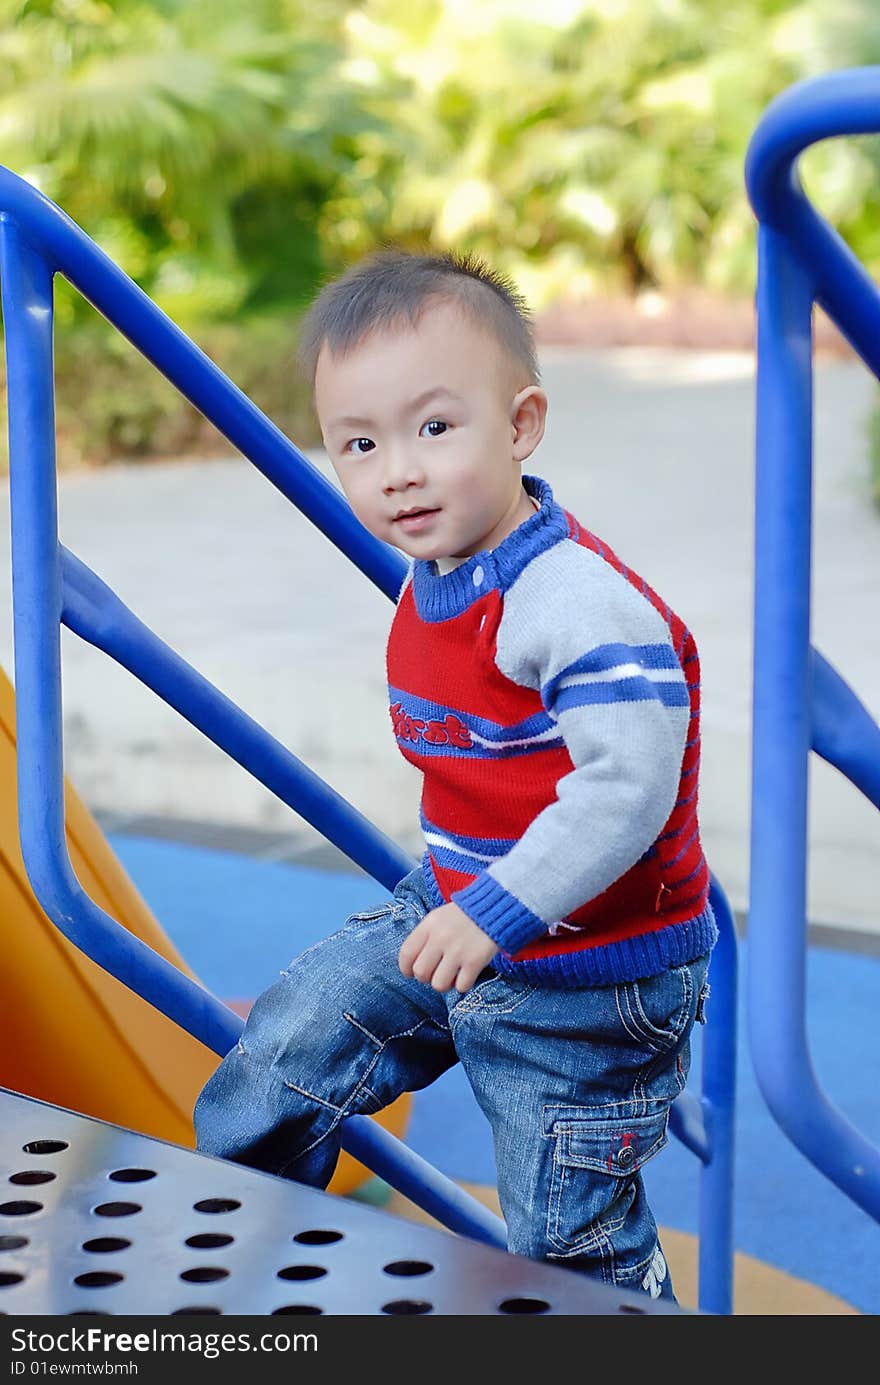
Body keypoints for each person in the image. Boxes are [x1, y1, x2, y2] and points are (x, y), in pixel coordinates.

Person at [193, 249, 717, 1303]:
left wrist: (496, 908)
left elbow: (630, 783)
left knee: (567, 1242)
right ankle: (238, 1246)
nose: (397, 470)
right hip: (460, 914)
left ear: (521, 424)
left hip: (590, 976)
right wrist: (475, 908)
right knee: (291, 1037)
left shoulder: (570, 601)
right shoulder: (437, 570)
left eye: (435, 428)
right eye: (360, 443)